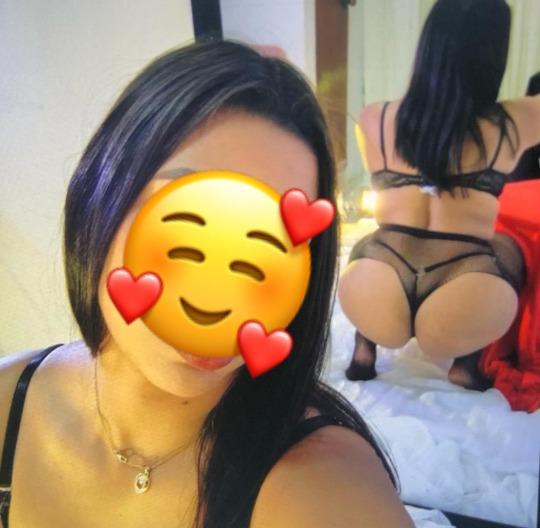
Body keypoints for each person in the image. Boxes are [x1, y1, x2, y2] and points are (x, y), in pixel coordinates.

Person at [0, 41, 413, 527]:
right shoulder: (10, 400)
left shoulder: (322, 482)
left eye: (272, 244)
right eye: (187, 220)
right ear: (101, 196)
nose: (222, 295)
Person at [339, 0, 540, 389]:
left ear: (427, 45)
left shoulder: (373, 118)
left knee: (369, 241)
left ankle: (364, 349)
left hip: (375, 290)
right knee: (511, 247)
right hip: (464, 296)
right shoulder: (513, 122)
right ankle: (465, 364)